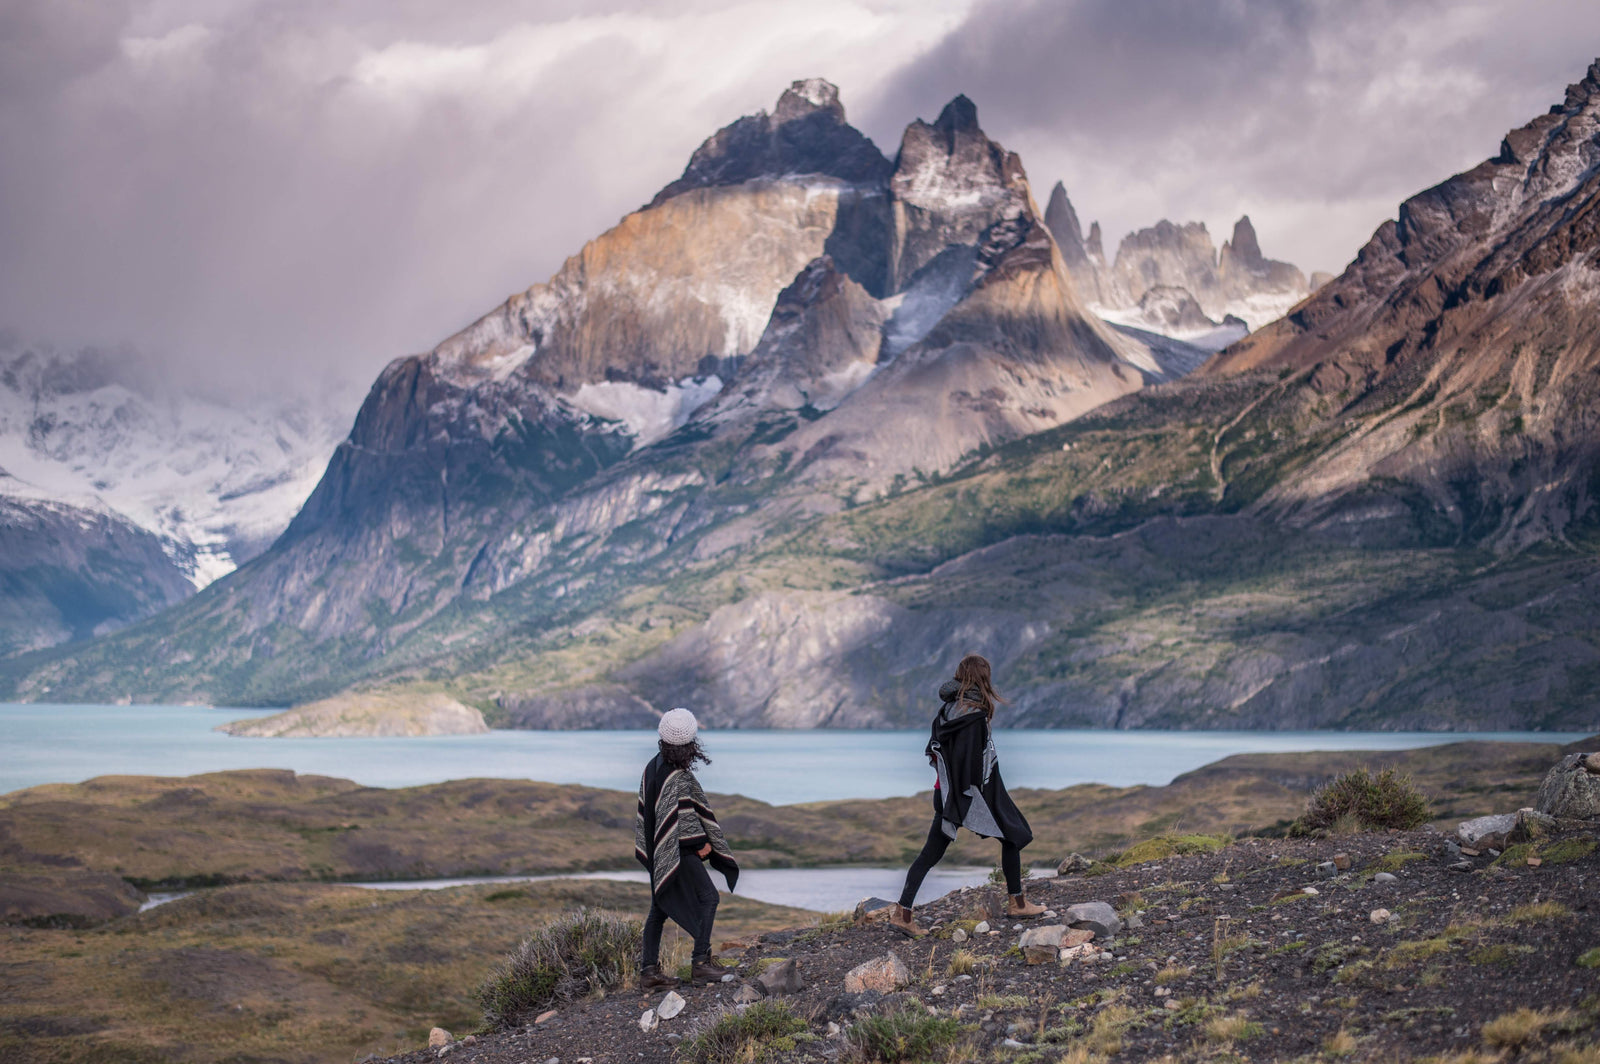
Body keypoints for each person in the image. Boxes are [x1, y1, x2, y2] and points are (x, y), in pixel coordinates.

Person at [890, 654, 1043, 938]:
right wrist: (975, 800)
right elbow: (971, 765)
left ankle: (903, 913)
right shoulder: (972, 716)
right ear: (982, 678)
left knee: (930, 854)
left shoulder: (947, 710)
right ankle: (1017, 903)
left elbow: (938, 755)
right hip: (971, 795)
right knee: (1014, 835)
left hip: (946, 792)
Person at [634, 707, 739, 991]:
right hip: (677, 852)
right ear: (691, 740)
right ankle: (701, 964)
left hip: (660, 851)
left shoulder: (652, 766)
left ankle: (649, 972)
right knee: (708, 898)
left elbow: (657, 816)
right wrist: (701, 843)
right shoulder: (677, 775)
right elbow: (681, 816)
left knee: (658, 908)